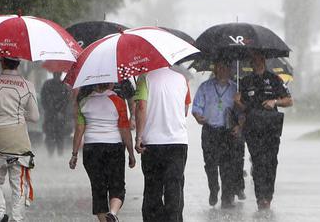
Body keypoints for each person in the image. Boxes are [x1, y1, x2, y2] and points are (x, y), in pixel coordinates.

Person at [0, 57, 39, 222]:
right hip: (19, 141)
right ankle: (16, 219)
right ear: (18, 63)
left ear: (1, 61)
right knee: (18, 182)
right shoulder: (27, 85)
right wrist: (19, 112)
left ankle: (0, 212)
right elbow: (34, 117)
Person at [69, 82, 136, 222]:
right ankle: (112, 212)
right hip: (114, 147)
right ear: (110, 84)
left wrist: (74, 154)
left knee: (98, 189)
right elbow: (124, 130)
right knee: (117, 186)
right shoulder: (118, 101)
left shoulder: (84, 101)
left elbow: (79, 130)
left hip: (91, 149)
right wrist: (131, 152)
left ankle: (106, 218)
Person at [234, 51, 293, 210]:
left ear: (263, 61)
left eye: (258, 60)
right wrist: (238, 102)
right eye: (253, 60)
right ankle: (261, 197)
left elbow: (289, 101)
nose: (255, 63)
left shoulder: (274, 79)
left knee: (271, 162)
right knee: (258, 161)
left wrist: (275, 102)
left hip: (271, 129)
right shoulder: (245, 82)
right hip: (253, 129)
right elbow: (244, 108)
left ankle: (269, 195)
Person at [134, 66, 191, 222]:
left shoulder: (144, 78)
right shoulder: (182, 78)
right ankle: (174, 218)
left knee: (153, 189)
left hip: (152, 143)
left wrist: (138, 137)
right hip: (177, 142)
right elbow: (185, 109)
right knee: (175, 186)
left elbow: (141, 107)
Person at [191, 59, 241, 208]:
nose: (222, 70)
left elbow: (242, 112)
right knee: (210, 164)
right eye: (219, 67)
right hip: (209, 130)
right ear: (215, 69)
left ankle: (227, 196)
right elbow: (196, 106)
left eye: (226, 67)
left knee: (228, 166)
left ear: (230, 70)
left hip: (227, 132)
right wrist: (197, 115)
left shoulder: (235, 89)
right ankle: (213, 189)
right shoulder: (205, 87)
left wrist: (239, 125)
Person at [41, 71, 72, 156]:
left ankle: (55, 155)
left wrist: (55, 111)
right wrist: (58, 112)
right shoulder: (64, 86)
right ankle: (54, 155)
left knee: (57, 138)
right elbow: (67, 102)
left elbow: (43, 100)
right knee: (55, 138)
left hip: (55, 117)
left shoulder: (62, 86)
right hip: (54, 117)